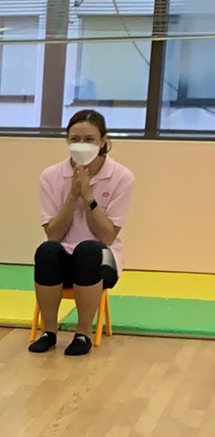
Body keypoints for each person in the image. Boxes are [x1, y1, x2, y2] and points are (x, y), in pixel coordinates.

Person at [29, 109, 134, 358]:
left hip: (101, 258)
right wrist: (72, 195)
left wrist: (88, 197)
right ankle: (49, 331)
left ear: (103, 140)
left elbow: (107, 237)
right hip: (63, 257)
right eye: (74, 139)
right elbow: (53, 235)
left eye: (89, 139)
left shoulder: (122, 177)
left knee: (89, 249)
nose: (81, 145)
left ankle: (83, 333)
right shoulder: (51, 176)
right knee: (47, 251)